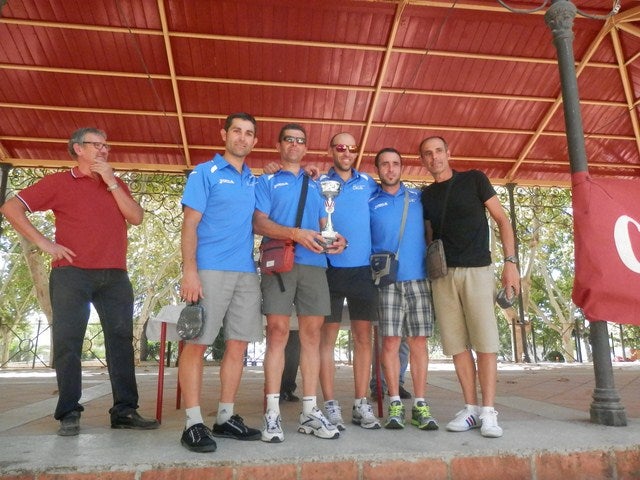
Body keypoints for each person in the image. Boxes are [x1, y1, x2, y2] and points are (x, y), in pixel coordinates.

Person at [0, 127, 159, 436]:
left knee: (121, 342)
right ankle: (69, 412)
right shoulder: (59, 182)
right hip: (71, 273)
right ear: (78, 149)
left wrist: (112, 182)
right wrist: (44, 243)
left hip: (115, 275)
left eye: (106, 145)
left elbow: (136, 217)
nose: (103, 150)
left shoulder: (117, 183)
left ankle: (125, 411)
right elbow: (10, 207)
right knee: (68, 342)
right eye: (95, 145)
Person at [419, 135, 520, 438]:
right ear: (423, 161)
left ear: (448, 153)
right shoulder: (426, 196)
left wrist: (510, 263)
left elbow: (502, 220)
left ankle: (489, 411)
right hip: (443, 275)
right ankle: (471, 409)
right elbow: (428, 236)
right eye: (428, 154)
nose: (434, 157)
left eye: (438, 151)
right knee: (457, 345)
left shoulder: (475, 179)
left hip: (478, 270)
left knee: (485, 343)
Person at [253, 123, 347, 443]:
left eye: (300, 141)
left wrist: (338, 240)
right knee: (277, 333)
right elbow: (259, 222)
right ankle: (272, 412)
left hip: (314, 265)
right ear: (279, 145)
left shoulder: (317, 184)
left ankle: (309, 410)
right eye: (289, 140)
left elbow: (325, 224)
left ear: (306, 148)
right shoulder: (267, 180)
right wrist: (295, 234)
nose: (294, 145)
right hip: (279, 262)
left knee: (312, 337)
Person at [178, 112, 263, 453]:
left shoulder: (253, 179)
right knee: (197, 344)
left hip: (246, 272)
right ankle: (192, 423)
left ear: (254, 141)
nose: (242, 138)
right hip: (209, 270)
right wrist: (190, 270)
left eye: (249, 133)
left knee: (239, 344)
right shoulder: (205, 172)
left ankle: (225, 417)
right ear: (224, 134)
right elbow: (189, 224)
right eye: (237, 131)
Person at [369, 148, 438, 431]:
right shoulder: (370, 200)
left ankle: (420, 404)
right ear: (378, 169)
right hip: (386, 281)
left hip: (419, 278)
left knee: (419, 342)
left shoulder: (418, 197)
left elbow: (432, 231)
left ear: (402, 168)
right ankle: (395, 402)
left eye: (395, 164)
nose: (390, 169)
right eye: (384, 164)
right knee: (390, 342)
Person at [318, 132, 381, 431]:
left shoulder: (368, 183)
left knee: (363, 338)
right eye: (340, 147)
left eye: (351, 148)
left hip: (362, 271)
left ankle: (361, 403)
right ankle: (330, 404)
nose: (346, 152)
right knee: (326, 341)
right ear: (331, 150)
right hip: (329, 269)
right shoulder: (319, 182)